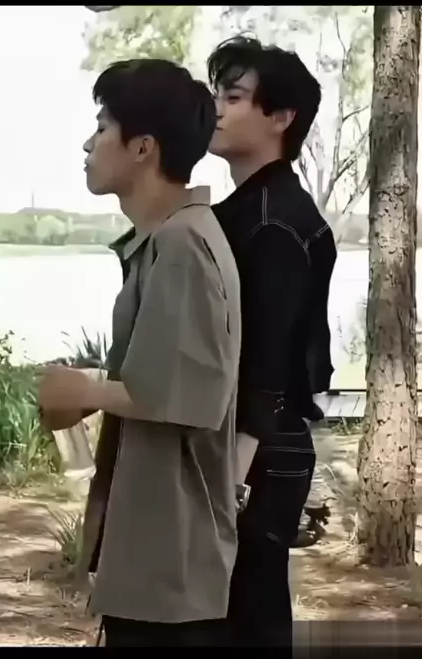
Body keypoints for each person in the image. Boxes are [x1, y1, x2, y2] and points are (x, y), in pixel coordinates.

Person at [38, 58, 241, 647]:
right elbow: (168, 372)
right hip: (153, 560)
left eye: (103, 126)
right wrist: (94, 390)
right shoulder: (165, 241)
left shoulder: (183, 244)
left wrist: (85, 390)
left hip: (172, 565)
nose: (88, 143)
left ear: (143, 148)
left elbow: (189, 395)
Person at [207, 35, 337, 649]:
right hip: (255, 440)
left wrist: (233, 476)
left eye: (233, 97)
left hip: (259, 444)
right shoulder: (251, 208)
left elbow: (267, 358)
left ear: (281, 117)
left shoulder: (275, 219)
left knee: (248, 615)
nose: (216, 108)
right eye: (217, 94)